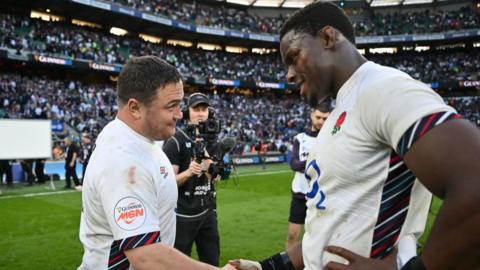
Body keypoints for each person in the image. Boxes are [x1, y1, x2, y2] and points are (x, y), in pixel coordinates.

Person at [231, 2, 480, 270]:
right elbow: (331, 224)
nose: (289, 74)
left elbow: (474, 177)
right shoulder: (340, 111)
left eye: (293, 57)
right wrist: (269, 266)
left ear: (327, 38)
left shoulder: (383, 88)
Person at [78, 56, 234, 270]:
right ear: (135, 108)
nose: (180, 114)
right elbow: (146, 256)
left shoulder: (142, 138)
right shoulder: (123, 161)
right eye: (171, 106)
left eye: (180, 104)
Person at [163, 92, 221, 266]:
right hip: (182, 216)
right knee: (179, 265)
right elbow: (167, 182)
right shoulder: (175, 141)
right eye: (196, 109)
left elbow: (216, 177)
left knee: (211, 262)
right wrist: (189, 172)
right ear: (187, 113)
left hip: (208, 213)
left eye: (204, 109)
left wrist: (204, 154)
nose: (201, 113)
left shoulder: (213, 141)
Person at [285, 103, 330, 250]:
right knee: (292, 234)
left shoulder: (331, 138)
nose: (321, 121)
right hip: (300, 193)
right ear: (311, 115)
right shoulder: (300, 138)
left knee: (316, 236)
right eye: (318, 117)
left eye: (325, 118)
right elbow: (294, 164)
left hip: (321, 194)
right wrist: (317, 161)